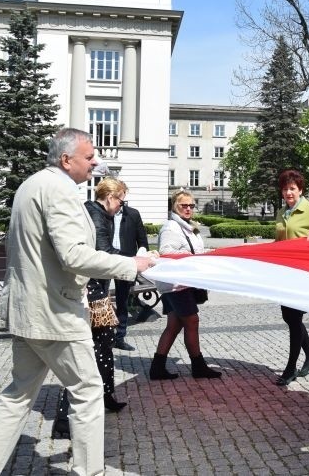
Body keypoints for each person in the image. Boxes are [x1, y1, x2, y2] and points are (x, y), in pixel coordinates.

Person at [0, 128, 154, 476]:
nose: (96, 161)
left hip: (28, 309)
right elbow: (73, 255)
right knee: (87, 389)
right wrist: (132, 264)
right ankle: (89, 471)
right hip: (54, 312)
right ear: (67, 160)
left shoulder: (32, 184)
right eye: (89, 156)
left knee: (18, 395)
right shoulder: (58, 190)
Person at [52, 176, 133, 439]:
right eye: (121, 200)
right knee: (91, 349)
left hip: (95, 288)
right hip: (91, 290)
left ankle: (106, 394)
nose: (122, 206)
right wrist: (135, 260)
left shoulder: (98, 214)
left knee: (105, 341)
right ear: (110, 197)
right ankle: (65, 418)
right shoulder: (97, 215)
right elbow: (104, 251)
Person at [149, 190, 222, 380]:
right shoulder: (171, 228)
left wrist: (212, 253)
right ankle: (198, 366)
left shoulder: (186, 226)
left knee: (174, 325)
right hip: (176, 285)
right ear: (175, 206)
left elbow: (193, 249)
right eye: (184, 205)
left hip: (180, 283)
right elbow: (166, 253)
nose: (188, 209)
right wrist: (193, 259)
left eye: (191, 205)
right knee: (192, 321)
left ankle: (157, 367)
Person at [273, 169, 309, 386]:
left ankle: (290, 368)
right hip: (285, 273)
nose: (288, 192)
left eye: (292, 188)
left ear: (300, 190)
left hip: (302, 273)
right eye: (285, 189)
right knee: (290, 318)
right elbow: (278, 243)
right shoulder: (282, 213)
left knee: (293, 317)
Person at [112, 195, 153, 347]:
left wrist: (143, 257)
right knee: (100, 297)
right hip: (104, 258)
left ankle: (119, 337)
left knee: (123, 300)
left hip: (127, 261)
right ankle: (101, 336)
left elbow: (142, 240)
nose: (121, 201)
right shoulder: (103, 213)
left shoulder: (133, 214)